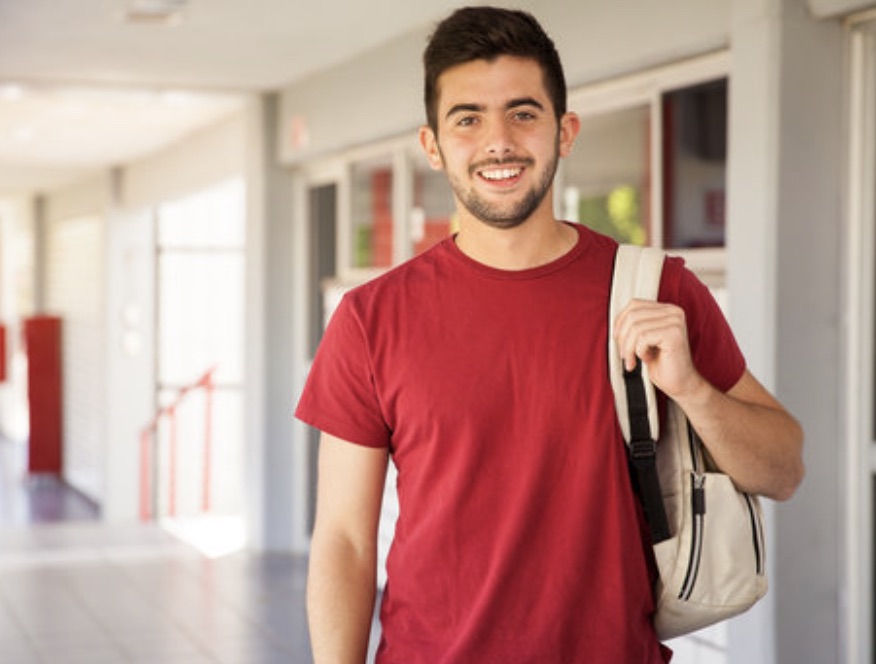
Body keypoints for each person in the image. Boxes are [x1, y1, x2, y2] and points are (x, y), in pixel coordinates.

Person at [297, 6, 804, 663]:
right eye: (468, 118)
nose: (499, 141)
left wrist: (696, 393)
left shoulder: (657, 290)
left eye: (524, 112)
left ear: (564, 132)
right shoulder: (371, 319)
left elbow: (784, 470)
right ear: (432, 145)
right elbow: (343, 538)